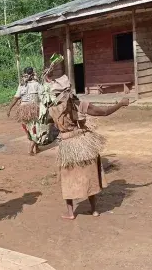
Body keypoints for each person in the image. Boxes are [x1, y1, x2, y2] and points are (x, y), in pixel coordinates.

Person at [43, 75, 129, 220]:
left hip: (67, 147)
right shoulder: (79, 104)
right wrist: (120, 103)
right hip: (83, 145)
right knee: (89, 177)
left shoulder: (52, 110)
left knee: (67, 178)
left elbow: (45, 121)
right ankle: (94, 210)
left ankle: (71, 213)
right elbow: (104, 112)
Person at [7, 67, 43, 155]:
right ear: (33, 74)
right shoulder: (37, 84)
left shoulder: (22, 85)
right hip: (33, 110)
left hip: (23, 111)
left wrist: (9, 109)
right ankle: (31, 149)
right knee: (36, 129)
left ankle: (37, 147)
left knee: (29, 129)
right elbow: (43, 97)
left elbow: (16, 98)